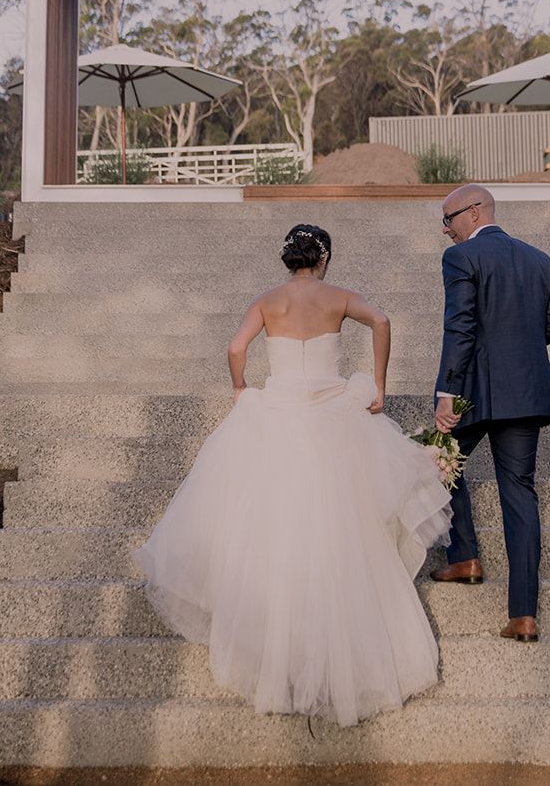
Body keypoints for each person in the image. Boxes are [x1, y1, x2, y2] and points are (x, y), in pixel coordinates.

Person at [134, 224, 452, 726]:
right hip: (331, 410)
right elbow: (383, 320)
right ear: (323, 258)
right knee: (341, 529)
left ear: (288, 259)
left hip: (279, 412)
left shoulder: (267, 300)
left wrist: (242, 390)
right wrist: (380, 387)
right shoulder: (339, 296)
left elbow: (235, 348)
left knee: (276, 531)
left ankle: (275, 659)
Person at [430, 184, 550, 643]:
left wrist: (446, 391)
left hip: (472, 391)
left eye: (447, 219)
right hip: (526, 393)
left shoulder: (461, 258)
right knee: (519, 494)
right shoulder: (539, 259)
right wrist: (514, 355)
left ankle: (465, 554)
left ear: (472, 213)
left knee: (437, 458)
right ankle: (523, 615)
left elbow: (460, 327)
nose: (445, 229)